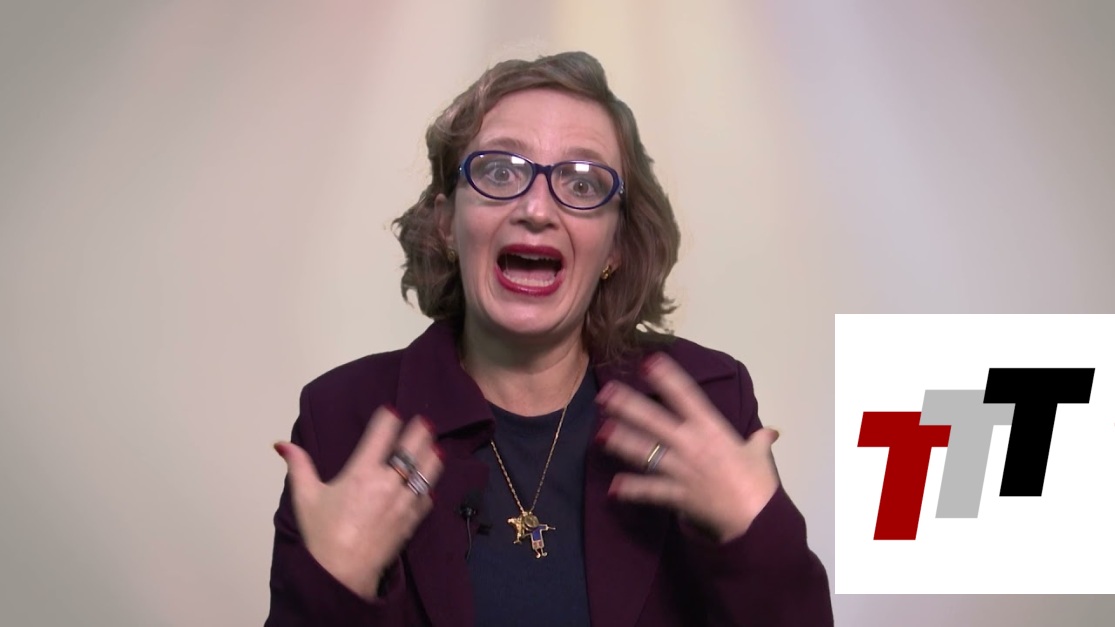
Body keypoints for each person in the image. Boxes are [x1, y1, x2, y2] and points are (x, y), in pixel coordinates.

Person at [265, 50, 834, 626]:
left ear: (615, 246)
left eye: (582, 183)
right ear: (447, 224)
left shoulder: (708, 403)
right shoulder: (342, 420)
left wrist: (759, 542)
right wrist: (331, 588)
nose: (536, 209)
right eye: (499, 172)